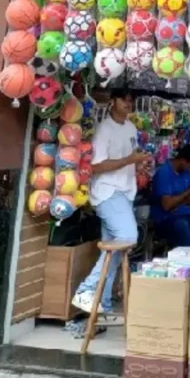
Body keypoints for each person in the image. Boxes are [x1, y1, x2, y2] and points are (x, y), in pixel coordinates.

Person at [72, 90, 148, 314]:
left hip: (125, 192)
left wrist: (139, 164)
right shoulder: (104, 130)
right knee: (128, 237)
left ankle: (102, 304)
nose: (128, 103)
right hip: (108, 192)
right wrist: (128, 160)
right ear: (113, 101)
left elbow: (130, 159)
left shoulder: (131, 128)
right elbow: (95, 167)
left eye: (131, 100)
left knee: (113, 250)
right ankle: (86, 289)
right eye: (124, 99)